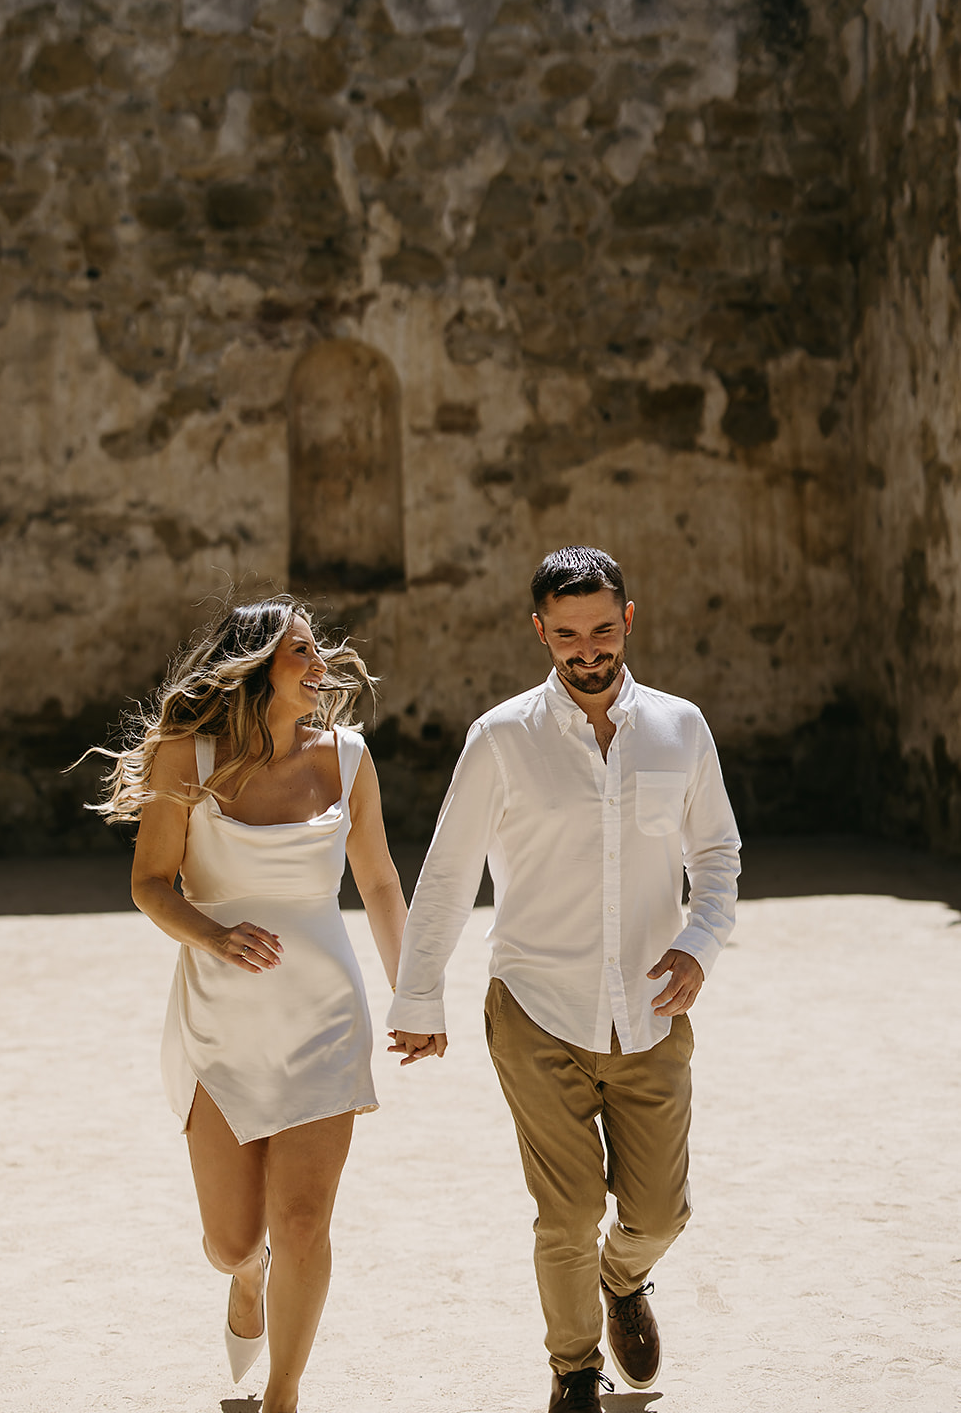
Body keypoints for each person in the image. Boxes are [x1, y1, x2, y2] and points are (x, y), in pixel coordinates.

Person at [388, 546, 740, 1411]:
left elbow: (717, 854)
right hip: (535, 1008)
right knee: (564, 1212)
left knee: (660, 1214)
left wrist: (699, 940)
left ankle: (623, 1280)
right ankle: (573, 1367)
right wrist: (418, 996)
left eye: (601, 627)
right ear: (539, 631)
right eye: (566, 633)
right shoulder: (501, 737)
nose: (587, 649)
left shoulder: (679, 728)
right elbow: (446, 872)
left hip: (652, 1010)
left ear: (629, 617)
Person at [89, 597, 406, 1413]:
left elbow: (375, 883)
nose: (321, 660)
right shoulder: (182, 758)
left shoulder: (349, 758)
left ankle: (283, 1396)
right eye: (300, 650)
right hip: (221, 1020)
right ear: (257, 665)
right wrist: (216, 936)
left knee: (303, 1221)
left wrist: (418, 994)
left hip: (325, 1018)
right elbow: (150, 886)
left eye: (317, 646)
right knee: (233, 1239)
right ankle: (245, 1278)